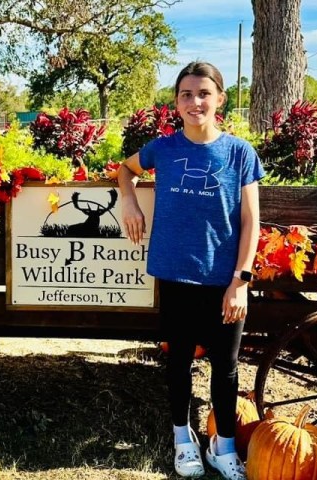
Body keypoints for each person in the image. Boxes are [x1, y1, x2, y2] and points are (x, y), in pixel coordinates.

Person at [118, 61, 264, 480]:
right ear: (176, 103)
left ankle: (224, 445)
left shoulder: (239, 153)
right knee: (179, 360)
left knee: (227, 365)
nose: (195, 101)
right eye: (186, 94)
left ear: (219, 99)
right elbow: (125, 169)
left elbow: (251, 221)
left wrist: (240, 281)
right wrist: (127, 199)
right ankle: (183, 439)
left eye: (203, 93)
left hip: (224, 280)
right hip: (176, 273)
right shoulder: (162, 149)